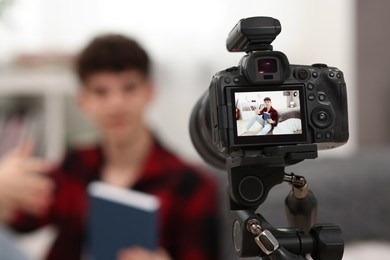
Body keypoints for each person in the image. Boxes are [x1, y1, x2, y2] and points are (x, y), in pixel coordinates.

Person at [0, 34, 220, 260]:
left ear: (150, 92)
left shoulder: (190, 185)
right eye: (101, 92)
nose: (116, 104)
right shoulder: (75, 164)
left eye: (129, 88)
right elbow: (21, 221)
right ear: (83, 100)